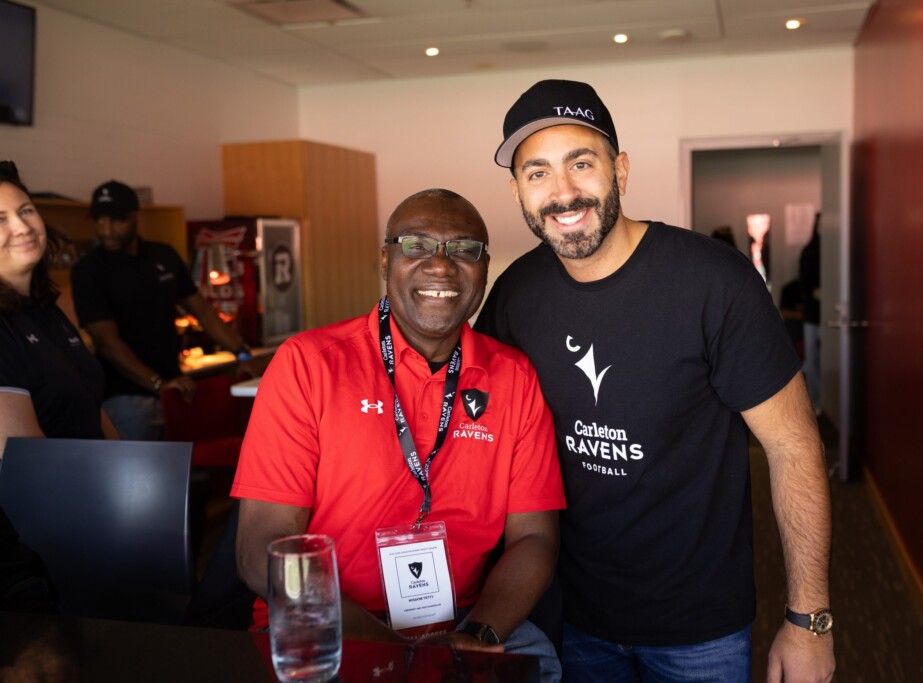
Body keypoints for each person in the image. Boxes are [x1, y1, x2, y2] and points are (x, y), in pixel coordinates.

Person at [476, 79, 835, 682]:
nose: (562, 193)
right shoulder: (516, 293)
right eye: (536, 173)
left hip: (701, 630)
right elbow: (481, 430)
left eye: (581, 164)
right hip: (575, 618)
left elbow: (794, 448)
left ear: (620, 170)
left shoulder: (714, 283)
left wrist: (809, 621)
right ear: (516, 189)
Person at [232, 189, 566, 680]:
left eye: (464, 250)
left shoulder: (514, 377)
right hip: (331, 628)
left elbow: (535, 537)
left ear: (486, 268)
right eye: (416, 245)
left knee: (545, 668)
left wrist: (476, 638)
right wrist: (396, 656)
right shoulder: (309, 364)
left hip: (464, 625)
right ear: (385, 259)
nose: (441, 265)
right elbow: (262, 545)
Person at [71, 180, 256, 440]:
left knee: (185, 474)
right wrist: (157, 383)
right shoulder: (88, 271)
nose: (107, 230)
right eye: (99, 221)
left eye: (116, 221)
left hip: (176, 389)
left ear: (136, 217)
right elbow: (106, 341)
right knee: (136, 478)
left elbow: (202, 311)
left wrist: (243, 355)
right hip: (126, 397)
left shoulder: (163, 256)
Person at [0, 161, 118, 455]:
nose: (22, 227)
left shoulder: (45, 309)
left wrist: (125, 470)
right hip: (57, 498)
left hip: (96, 486)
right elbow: (24, 463)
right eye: (0, 219)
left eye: (26, 211)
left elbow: (90, 407)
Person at [799, 213, 822, 413]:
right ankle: (814, 400)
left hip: (830, 313)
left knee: (828, 359)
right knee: (812, 358)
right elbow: (805, 285)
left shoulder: (836, 250)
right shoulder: (809, 252)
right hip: (813, 314)